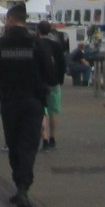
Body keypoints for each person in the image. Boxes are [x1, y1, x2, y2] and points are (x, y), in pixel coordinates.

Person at [0, 2, 50, 207]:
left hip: (9, 101)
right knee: (28, 145)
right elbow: (50, 72)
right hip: (33, 101)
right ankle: (23, 186)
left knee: (13, 143)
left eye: (7, 20)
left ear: (12, 21)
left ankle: (20, 184)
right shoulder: (37, 45)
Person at [37, 19, 67, 151]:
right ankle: (53, 137)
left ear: (38, 30)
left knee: (41, 112)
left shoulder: (35, 44)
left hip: (39, 83)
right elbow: (62, 64)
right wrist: (60, 79)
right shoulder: (56, 45)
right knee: (53, 111)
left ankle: (44, 138)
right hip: (54, 82)